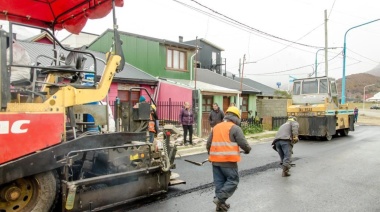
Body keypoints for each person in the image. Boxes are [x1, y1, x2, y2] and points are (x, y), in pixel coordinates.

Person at [206, 106, 251, 212]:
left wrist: (210, 154)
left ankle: (220, 205)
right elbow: (243, 143)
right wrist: (248, 150)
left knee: (219, 183)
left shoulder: (216, 127)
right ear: (236, 117)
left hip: (215, 161)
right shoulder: (235, 128)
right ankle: (219, 199)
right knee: (233, 181)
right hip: (228, 161)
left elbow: (208, 143)